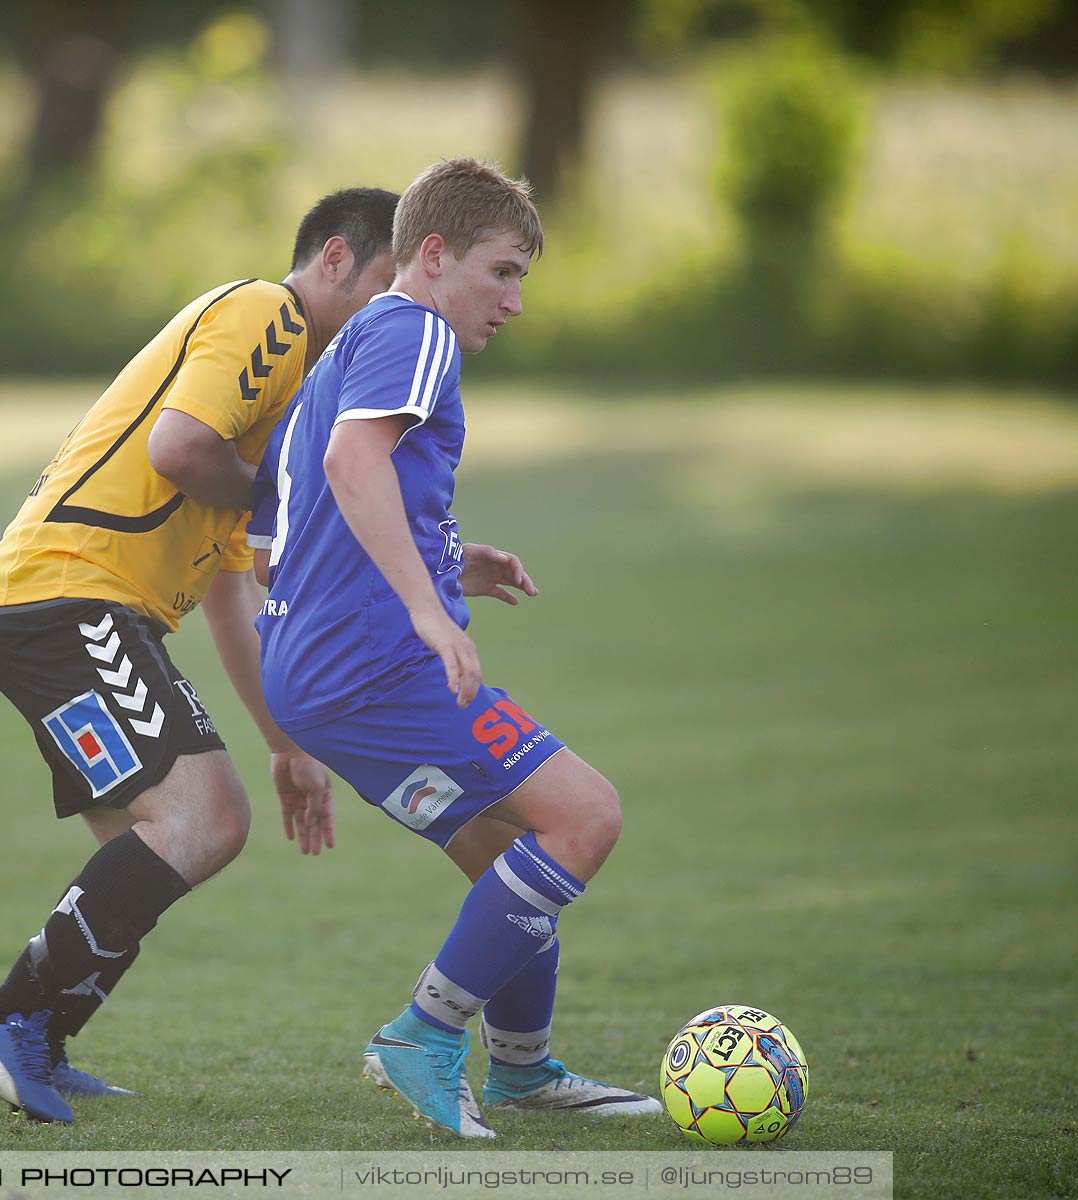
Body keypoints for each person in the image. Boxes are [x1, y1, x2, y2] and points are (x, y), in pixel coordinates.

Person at [0, 188, 399, 1125]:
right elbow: (179, 447)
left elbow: (234, 592)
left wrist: (286, 740)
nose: (389, 315)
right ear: (331, 261)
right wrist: (281, 502)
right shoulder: (266, 316)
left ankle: (43, 1031)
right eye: (385, 287)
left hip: (54, 605)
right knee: (205, 817)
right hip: (72, 595)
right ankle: (9, 1017)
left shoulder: (285, 400)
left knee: (144, 846)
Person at [250, 159, 663, 1138]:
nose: (515, 301)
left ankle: (521, 1072)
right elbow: (356, 465)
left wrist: (445, 564)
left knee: (512, 863)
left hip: (317, 675)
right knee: (587, 819)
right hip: (375, 663)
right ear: (432, 255)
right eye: (506, 271)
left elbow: (279, 535)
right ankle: (422, 1036)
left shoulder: (348, 351)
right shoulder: (418, 330)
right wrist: (425, 613)